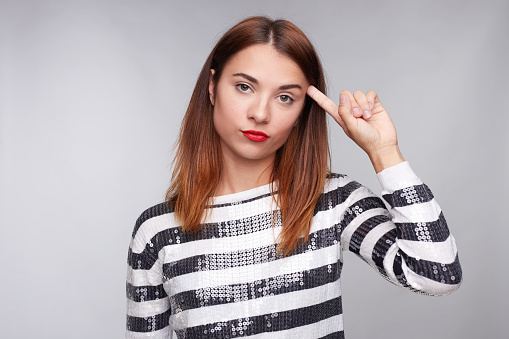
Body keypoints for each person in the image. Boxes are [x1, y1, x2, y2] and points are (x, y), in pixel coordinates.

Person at [126, 16, 462, 338]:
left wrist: (384, 150)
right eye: (244, 87)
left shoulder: (333, 201)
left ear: (303, 111)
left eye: (285, 97)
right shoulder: (157, 232)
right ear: (212, 88)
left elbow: (438, 274)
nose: (260, 113)